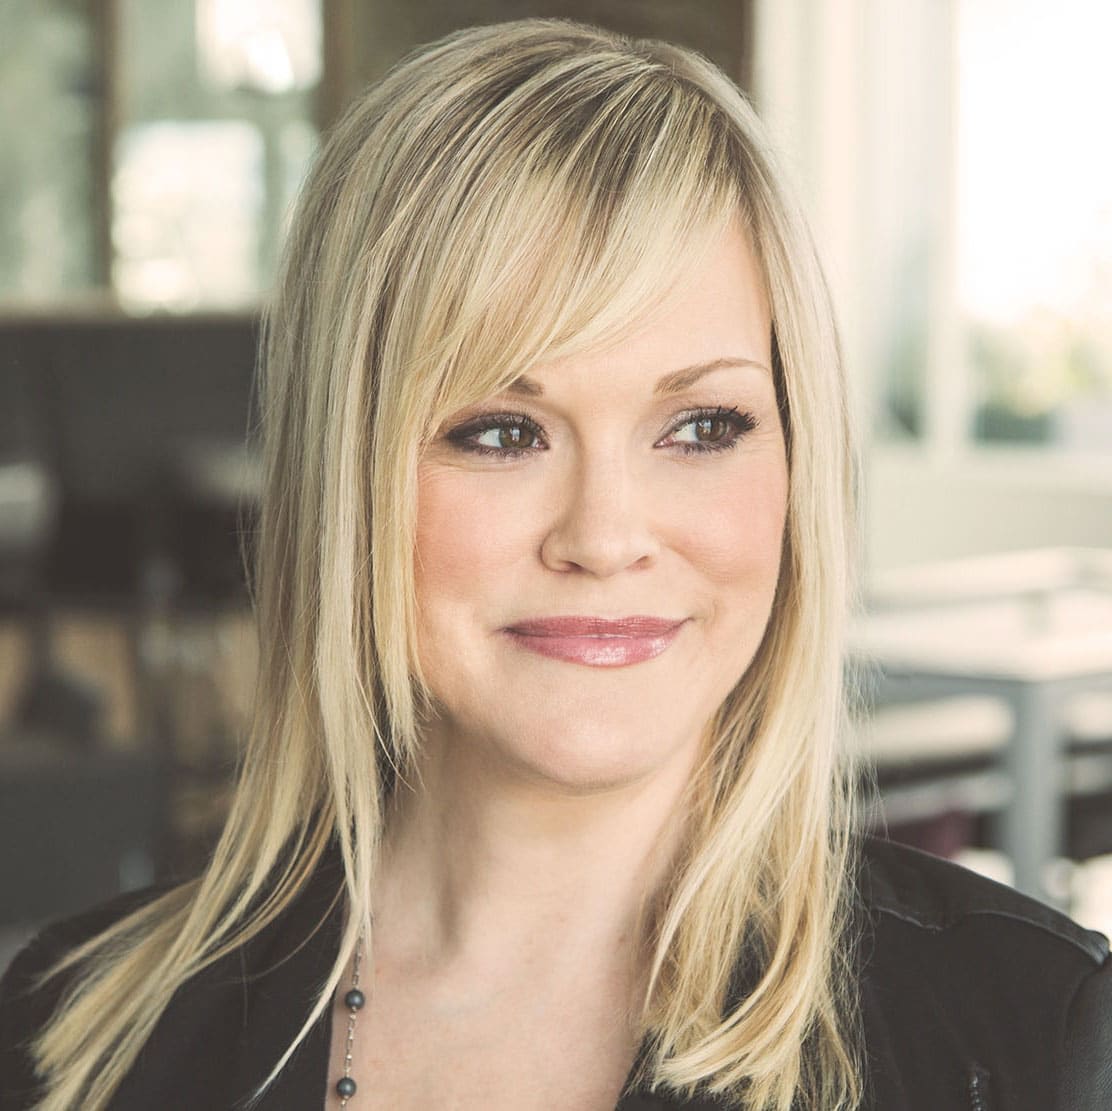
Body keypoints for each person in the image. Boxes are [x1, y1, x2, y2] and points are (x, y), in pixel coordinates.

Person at [1, 17, 1110, 1111]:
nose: (605, 534)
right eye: (502, 431)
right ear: (349, 477)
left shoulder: (1038, 1036)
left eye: (701, 427)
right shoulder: (71, 1032)